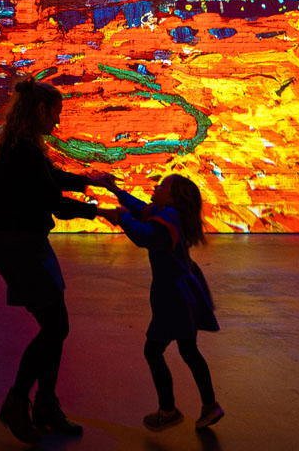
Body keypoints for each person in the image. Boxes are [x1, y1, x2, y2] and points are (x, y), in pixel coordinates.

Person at [0, 77, 111, 443]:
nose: (57, 121)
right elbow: (53, 201)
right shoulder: (24, 152)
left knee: (55, 327)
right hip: (22, 249)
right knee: (55, 327)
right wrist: (102, 212)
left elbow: (50, 180)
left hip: (25, 245)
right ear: (40, 110)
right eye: (55, 113)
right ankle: (19, 401)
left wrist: (88, 182)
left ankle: (43, 405)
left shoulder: (21, 147)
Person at [98, 174, 224, 431]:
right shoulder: (168, 213)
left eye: (162, 185)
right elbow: (141, 208)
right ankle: (209, 405)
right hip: (182, 291)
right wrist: (115, 191)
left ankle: (168, 411)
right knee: (188, 350)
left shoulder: (167, 218)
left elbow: (144, 236)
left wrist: (122, 217)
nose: (156, 186)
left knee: (153, 351)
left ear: (174, 197)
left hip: (172, 297)